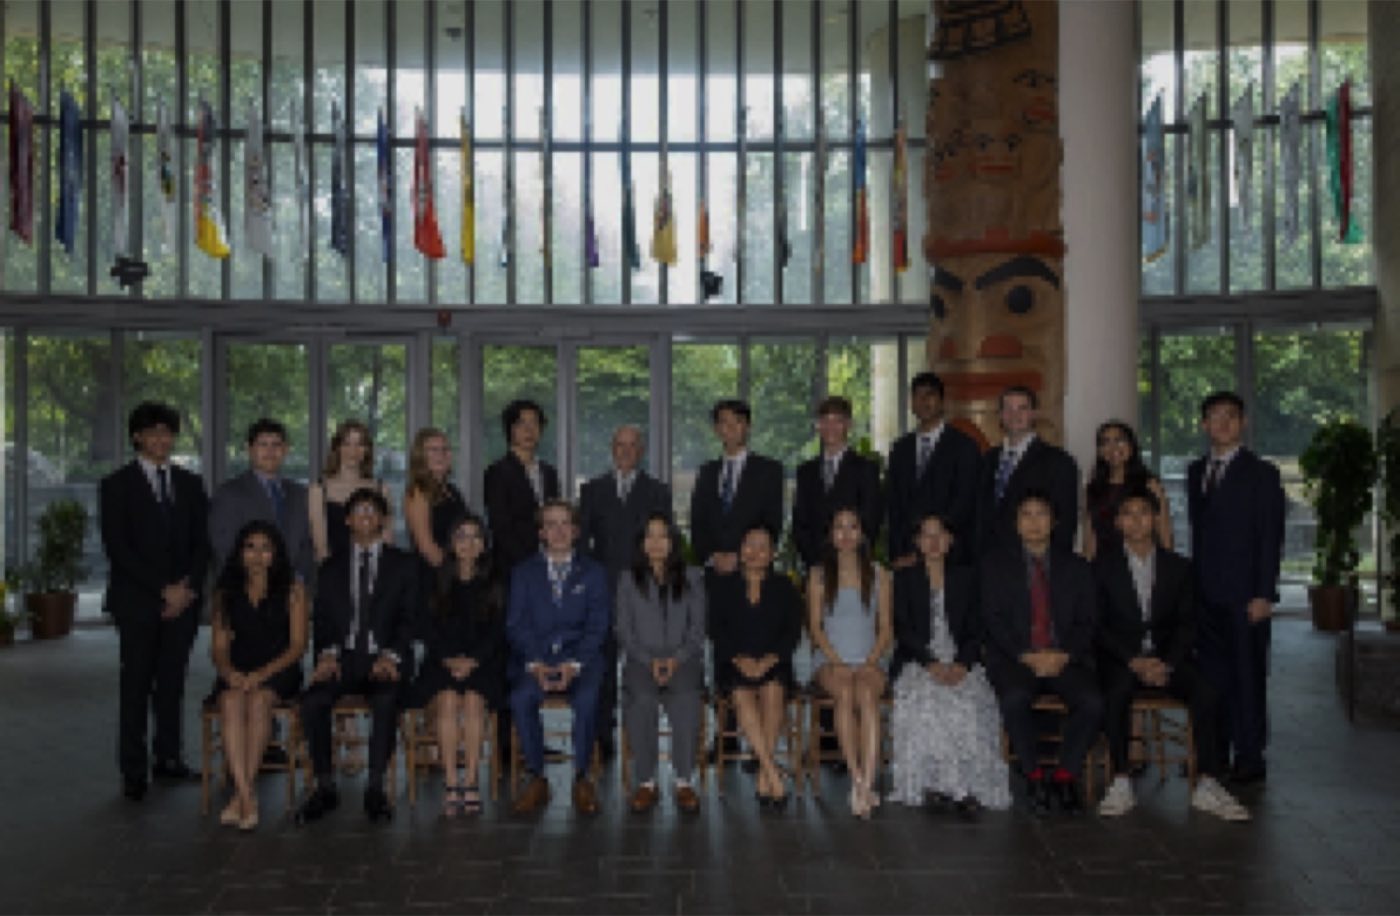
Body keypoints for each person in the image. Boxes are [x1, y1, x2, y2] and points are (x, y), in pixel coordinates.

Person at [1093, 488, 1250, 821]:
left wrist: (1166, 663)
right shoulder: (1101, 568)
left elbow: (1187, 623)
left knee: (1206, 690)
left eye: (1144, 513)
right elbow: (1097, 626)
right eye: (1128, 514)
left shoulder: (1179, 567)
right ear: (1118, 522)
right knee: (1115, 691)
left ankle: (1207, 782)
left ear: (1156, 519)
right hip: (1122, 658)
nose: (1136, 520)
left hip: (1168, 658)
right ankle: (1121, 780)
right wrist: (1134, 661)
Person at [99, 401, 211, 802]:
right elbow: (119, 549)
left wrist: (187, 589)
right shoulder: (116, 486)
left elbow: (203, 544)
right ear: (137, 437)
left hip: (184, 601)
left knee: (172, 683)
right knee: (136, 684)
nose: (161, 440)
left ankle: (168, 758)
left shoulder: (190, 483)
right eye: (153, 433)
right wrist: (163, 590)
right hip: (138, 602)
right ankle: (133, 768)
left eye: (167, 433)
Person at [296, 488, 419, 825]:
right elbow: (322, 620)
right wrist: (327, 655)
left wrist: (391, 656)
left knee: (386, 700)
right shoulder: (331, 566)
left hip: (384, 660)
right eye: (359, 511)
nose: (366, 516)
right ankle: (324, 786)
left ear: (382, 520)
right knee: (313, 702)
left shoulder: (404, 564)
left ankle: (375, 788)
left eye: (373, 511)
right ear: (347, 520)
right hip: (343, 659)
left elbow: (411, 619)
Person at [981, 490, 1102, 816]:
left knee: (1092, 702)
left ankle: (1065, 777)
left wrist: (1063, 655)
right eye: (1026, 515)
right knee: (1014, 699)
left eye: (1041, 514)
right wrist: (1026, 655)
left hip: (1065, 658)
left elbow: (1087, 621)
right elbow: (992, 620)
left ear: (1055, 522)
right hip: (1016, 659)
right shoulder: (995, 565)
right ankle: (1033, 775)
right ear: (1016, 523)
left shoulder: (1076, 566)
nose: (1034, 522)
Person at [1187, 391, 1285, 785]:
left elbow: (1270, 537)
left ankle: (1250, 755)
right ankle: (1218, 752)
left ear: (1242, 423)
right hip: (1206, 595)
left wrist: (1264, 593)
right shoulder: (1196, 472)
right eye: (1214, 416)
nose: (1222, 423)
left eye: (1230, 416)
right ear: (1204, 425)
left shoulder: (1262, 473)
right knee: (1213, 678)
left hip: (1247, 595)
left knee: (1248, 676)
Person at [887, 514, 1010, 819]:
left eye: (940, 534)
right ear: (916, 541)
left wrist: (962, 664)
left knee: (968, 701)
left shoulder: (967, 576)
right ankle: (931, 784)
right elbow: (903, 629)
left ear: (950, 539)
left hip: (960, 659)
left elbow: (975, 629)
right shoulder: (904, 579)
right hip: (919, 660)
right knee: (926, 700)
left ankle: (967, 787)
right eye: (925, 535)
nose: (933, 541)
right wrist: (930, 664)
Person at [506, 499, 611, 816]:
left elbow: (598, 625)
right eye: (550, 524)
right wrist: (537, 664)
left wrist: (573, 665)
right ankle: (537, 777)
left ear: (576, 530)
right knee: (522, 697)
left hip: (581, 660)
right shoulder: (523, 573)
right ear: (541, 532)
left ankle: (582, 777)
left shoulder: (594, 573)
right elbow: (516, 624)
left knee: (588, 698)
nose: (559, 531)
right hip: (536, 659)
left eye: (565, 523)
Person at [578, 424, 672, 760]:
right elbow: (582, 545)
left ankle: (640, 738)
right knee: (602, 670)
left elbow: (665, 545)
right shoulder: (592, 490)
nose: (626, 451)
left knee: (641, 670)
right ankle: (603, 736)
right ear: (612, 448)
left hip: (644, 594)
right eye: (620, 445)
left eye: (633, 445)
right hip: (603, 595)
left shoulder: (658, 491)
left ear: (642, 451)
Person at [208, 520, 308, 830]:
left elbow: (297, 646)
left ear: (275, 554)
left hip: (279, 669)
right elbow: (220, 647)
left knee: (260, 702)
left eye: (265, 548)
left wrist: (263, 674)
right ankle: (246, 794)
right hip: (238, 668)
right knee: (232, 701)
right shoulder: (225, 593)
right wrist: (229, 672)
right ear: (240, 552)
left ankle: (241, 796)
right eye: (250, 547)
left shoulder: (294, 589)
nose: (256, 554)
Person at [415, 512, 506, 818]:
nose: (468, 543)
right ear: (451, 543)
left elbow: (498, 631)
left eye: (475, 536)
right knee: (450, 699)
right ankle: (452, 782)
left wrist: (473, 660)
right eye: (461, 536)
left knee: (473, 701)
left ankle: (471, 782)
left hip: (483, 662)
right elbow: (426, 628)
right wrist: (449, 659)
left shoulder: (495, 581)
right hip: (442, 661)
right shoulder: (434, 578)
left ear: (483, 544)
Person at [615, 512, 707, 815]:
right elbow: (624, 631)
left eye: (663, 535)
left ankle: (683, 781)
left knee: (686, 699)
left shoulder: (693, 577)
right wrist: (650, 660)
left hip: (684, 659)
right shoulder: (628, 579)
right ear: (641, 543)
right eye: (649, 536)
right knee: (641, 699)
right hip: (641, 660)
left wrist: (676, 659)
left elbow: (697, 631)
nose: (656, 542)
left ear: (673, 541)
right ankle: (646, 781)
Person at [806, 508, 893, 818]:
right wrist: (836, 661)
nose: (845, 534)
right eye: (839, 527)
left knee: (867, 695)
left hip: (869, 657)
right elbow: (815, 628)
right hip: (831, 659)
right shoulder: (818, 575)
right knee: (844, 692)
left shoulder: (880, 574)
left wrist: (871, 661)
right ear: (830, 534)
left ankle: (867, 783)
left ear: (862, 534)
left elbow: (886, 628)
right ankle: (857, 778)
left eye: (852, 527)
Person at [709, 524, 802, 808]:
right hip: (733, 661)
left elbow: (793, 632)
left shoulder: (785, 587)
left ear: (773, 553)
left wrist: (770, 659)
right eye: (749, 544)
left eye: (763, 546)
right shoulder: (723, 586)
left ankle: (765, 775)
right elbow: (716, 630)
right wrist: (740, 659)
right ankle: (772, 771)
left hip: (775, 661)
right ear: (740, 549)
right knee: (742, 693)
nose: (755, 552)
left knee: (774, 690)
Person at [886, 372, 981, 568]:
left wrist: (931, 543)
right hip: (906, 557)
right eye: (918, 396)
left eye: (930, 395)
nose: (923, 401)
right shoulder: (900, 449)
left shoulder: (965, 447)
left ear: (942, 402)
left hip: (951, 557)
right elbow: (893, 504)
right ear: (911, 403)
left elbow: (965, 503)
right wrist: (898, 551)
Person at [975, 386, 1079, 558]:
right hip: (987, 564)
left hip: (1032, 565)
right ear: (1000, 416)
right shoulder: (987, 459)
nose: (1015, 415)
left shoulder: (1059, 462)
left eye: (1022, 408)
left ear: (1033, 414)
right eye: (1008, 409)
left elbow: (1065, 524)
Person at [209, 418, 315, 585]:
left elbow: (308, 544)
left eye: (276, 445)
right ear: (250, 450)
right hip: (246, 593)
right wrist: (255, 582)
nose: (270, 451)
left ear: (285, 450)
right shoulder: (229, 493)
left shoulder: (300, 494)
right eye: (263, 444)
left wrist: (298, 578)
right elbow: (223, 546)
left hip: (294, 592)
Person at [689, 399, 785, 577]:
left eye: (738, 421)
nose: (731, 428)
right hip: (714, 574)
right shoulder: (706, 472)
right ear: (717, 429)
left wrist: (743, 556)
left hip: (754, 573)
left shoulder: (769, 470)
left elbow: (773, 523)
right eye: (725, 422)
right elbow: (697, 522)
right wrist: (712, 557)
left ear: (748, 427)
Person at [791, 396, 883, 573]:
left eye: (837, 421)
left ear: (848, 425)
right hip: (815, 567)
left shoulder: (866, 469)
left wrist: (849, 562)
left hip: (854, 567)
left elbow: (871, 521)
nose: (830, 427)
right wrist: (814, 562)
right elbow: (800, 524)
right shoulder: (805, 471)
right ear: (817, 425)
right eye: (824, 421)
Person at [485, 399, 561, 579]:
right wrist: (530, 564)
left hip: (550, 565)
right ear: (510, 430)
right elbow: (500, 526)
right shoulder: (497, 472)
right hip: (513, 566)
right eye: (521, 423)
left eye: (534, 423)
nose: (529, 430)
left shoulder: (549, 472)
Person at [1082, 420, 1172, 560]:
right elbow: (1090, 538)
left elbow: (1164, 533)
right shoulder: (1094, 488)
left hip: (1142, 564)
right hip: (1103, 567)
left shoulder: (1149, 485)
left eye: (1119, 441)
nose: (1113, 448)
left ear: (1132, 446)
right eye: (1105, 442)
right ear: (1100, 450)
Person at [309, 419, 392, 564]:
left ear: (367, 449)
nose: (353, 451)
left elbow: (387, 539)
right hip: (333, 572)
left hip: (375, 571)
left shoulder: (381, 489)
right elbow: (321, 547)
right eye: (347, 444)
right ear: (337, 448)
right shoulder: (319, 490)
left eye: (359, 444)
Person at [404, 426, 469, 583]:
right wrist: (454, 576)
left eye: (445, 449)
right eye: (433, 450)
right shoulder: (418, 492)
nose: (441, 454)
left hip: (454, 571)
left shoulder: (452, 491)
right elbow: (426, 546)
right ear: (420, 456)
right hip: (434, 576)